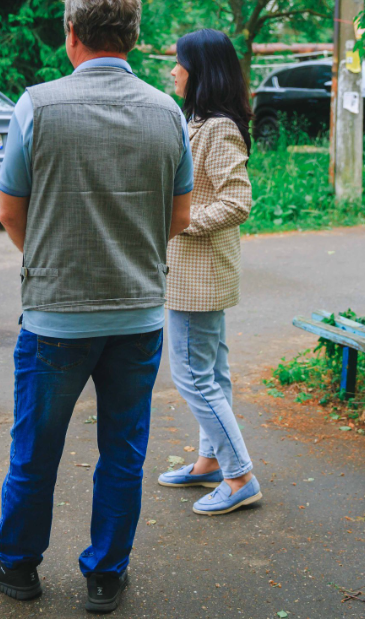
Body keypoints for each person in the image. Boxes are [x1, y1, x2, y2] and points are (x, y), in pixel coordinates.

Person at [0, 0, 193, 613]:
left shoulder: (37, 105)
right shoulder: (166, 111)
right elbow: (178, 219)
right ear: (132, 35)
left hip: (55, 318)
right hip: (140, 315)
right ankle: (104, 575)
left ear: (72, 34)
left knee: (35, 449)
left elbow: (11, 213)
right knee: (122, 451)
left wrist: (52, 265)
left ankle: (16, 567)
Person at [155, 28, 260, 515]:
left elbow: (237, 201)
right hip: (197, 273)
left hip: (199, 276)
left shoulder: (218, 127)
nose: (173, 70)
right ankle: (210, 463)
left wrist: (181, 224)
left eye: (179, 62)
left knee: (194, 377)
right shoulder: (199, 121)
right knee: (211, 373)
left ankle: (239, 477)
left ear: (199, 70)